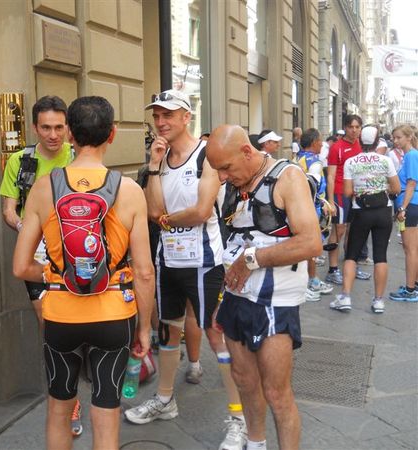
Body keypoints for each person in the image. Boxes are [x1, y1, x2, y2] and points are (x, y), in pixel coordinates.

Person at [13, 96, 154, 450]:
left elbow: (20, 266)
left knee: (59, 408)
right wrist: (145, 327)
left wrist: (56, 277)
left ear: (70, 134)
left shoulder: (45, 188)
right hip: (114, 314)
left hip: (60, 313)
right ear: (113, 134)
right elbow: (144, 272)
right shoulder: (131, 191)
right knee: (106, 409)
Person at [124, 90, 247, 450]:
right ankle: (165, 401)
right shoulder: (160, 159)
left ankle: (239, 418)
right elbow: (152, 210)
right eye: (157, 116)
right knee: (169, 330)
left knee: (214, 334)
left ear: (186, 117)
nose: (161, 122)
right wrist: (154, 166)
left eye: (169, 115)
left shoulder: (207, 156)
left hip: (204, 262)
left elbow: (202, 210)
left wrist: (165, 220)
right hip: (169, 261)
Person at [206, 125, 322, 450]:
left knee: (276, 393)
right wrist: (223, 297)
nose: (222, 177)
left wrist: (253, 259)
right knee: (244, 381)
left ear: (246, 151)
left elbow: (311, 242)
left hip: (276, 303)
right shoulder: (233, 183)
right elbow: (232, 249)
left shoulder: (287, 177)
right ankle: (255, 443)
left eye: (226, 168)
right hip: (235, 299)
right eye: (217, 170)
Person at [0, 95, 85, 435]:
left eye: (59, 127)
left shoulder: (78, 158)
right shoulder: (21, 161)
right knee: (49, 323)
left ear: (68, 128)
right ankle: (68, 398)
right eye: (46, 127)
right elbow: (9, 210)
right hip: (36, 256)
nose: (53, 135)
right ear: (35, 127)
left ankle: (72, 384)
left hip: (77, 255)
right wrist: (28, 231)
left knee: (76, 322)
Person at [330, 126, 400, 313]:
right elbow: (396, 188)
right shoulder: (385, 161)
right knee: (380, 255)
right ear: (378, 142)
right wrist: (380, 187)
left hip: (360, 212)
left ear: (360, 141)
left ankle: (345, 297)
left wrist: (361, 190)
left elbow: (346, 192)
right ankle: (378, 301)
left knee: (351, 254)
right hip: (383, 211)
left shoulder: (351, 162)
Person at [325, 115, 371, 285]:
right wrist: (330, 201)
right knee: (339, 230)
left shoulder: (360, 145)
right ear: (345, 127)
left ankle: (350, 266)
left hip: (356, 195)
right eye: (351, 127)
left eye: (357, 127)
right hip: (339, 193)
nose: (354, 130)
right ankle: (333, 269)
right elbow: (330, 176)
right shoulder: (336, 147)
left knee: (355, 231)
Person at [294, 128, 334, 302]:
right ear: (314, 143)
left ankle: (307, 281)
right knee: (310, 247)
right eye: (320, 141)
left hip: (300, 206)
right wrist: (323, 204)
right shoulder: (315, 164)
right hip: (311, 209)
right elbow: (313, 187)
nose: (322, 144)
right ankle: (310, 282)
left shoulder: (297, 158)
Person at [389, 125, 418, 302]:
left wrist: (402, 208)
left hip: (411, 205)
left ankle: (409, 289)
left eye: (399, 137)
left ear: (408, 137)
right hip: (412, 204)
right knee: (413, 248)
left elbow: (411, 183)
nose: (395, 141)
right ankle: (413, 284)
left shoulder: (411, 155)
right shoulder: (410, 155)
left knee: (410, 249)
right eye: (394, 138)